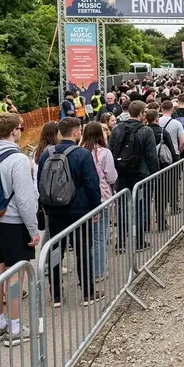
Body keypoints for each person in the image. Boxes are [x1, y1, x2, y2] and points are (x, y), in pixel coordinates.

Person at [0, 113, 40, 345]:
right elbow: (24, 199)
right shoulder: (18, 159)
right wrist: (33, 229)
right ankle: (14, 327)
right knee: (15, 276)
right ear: (15, 131)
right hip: (12, 223)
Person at [38, 117, 104, 309]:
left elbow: (40, 182)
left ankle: (56, 295)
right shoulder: (83, 154)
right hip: (79, 211)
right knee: (83, 251)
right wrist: (95, 208)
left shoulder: (46, 154)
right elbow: (92, 184)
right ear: (76, 132)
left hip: (55, 211)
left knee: (56, 251)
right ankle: (88, 292)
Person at [109, 101, 159, 251]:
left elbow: (111, 150)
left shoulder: (117, 129)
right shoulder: (146, 131)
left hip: (121, 174)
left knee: (123, 208)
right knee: (141, 207)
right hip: (141, 174)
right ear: (141, 113)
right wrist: (155, 174)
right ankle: (139, 242)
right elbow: (152, 156)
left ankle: (121, 242)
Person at [79, 121, 117, 282]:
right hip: (102, 196)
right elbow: (112, 176)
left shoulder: (79, 152)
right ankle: (99, 270)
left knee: (86, 237)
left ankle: (87, 270)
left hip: (83, 199)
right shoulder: (104, 153)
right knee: (100, 236)